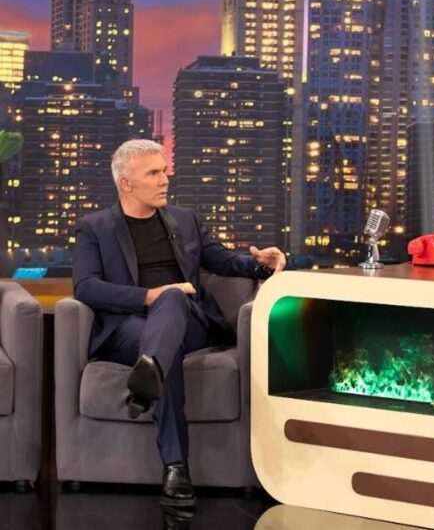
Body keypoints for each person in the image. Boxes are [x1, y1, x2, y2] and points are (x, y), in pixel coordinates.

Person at [72, 139, 286, 508]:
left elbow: (221, 260)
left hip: (190, 321)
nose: (164, 180)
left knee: (173, 301)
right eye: (153, 173)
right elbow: (86, 286)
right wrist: (147, 296)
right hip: (129, 327)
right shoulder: (95, 228)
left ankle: (156, 406)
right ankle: (173, 456)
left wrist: (260, 264)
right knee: (162, 343)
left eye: (165, 171)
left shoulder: (185, 219)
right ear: (126, 183)